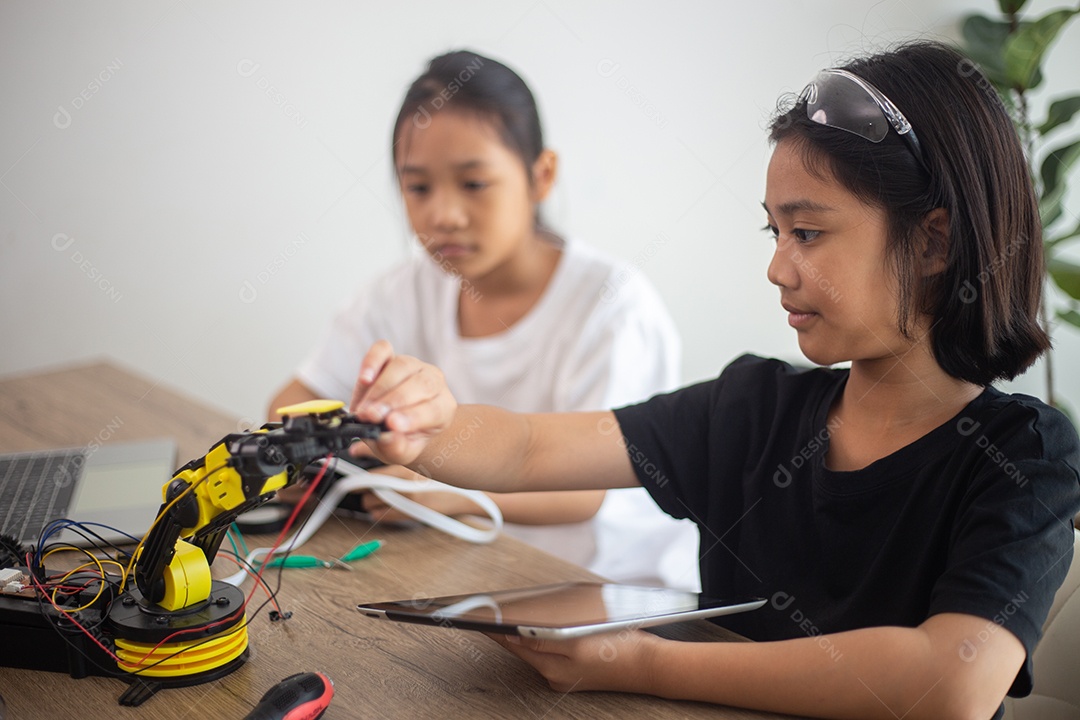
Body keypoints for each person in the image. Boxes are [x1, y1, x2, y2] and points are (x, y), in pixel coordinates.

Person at [343, 41, 1080, 719]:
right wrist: (431, 426)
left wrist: (649, 666)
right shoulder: (754, 410)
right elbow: (527, 449)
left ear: (934, 242)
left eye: (809, 232)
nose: (778, 267)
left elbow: (948, 681)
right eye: (775, 232)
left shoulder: (1026, 454)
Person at [269, 50, 699, 590]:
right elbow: (290, 403)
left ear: (541, 177)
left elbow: (585, 490)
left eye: (473, 184)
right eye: (418, 187)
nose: (443, 214)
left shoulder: (612, 306)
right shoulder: (403, 290)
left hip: (609, 591)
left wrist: (443, 488)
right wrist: (357, 448)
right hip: (465, 573)